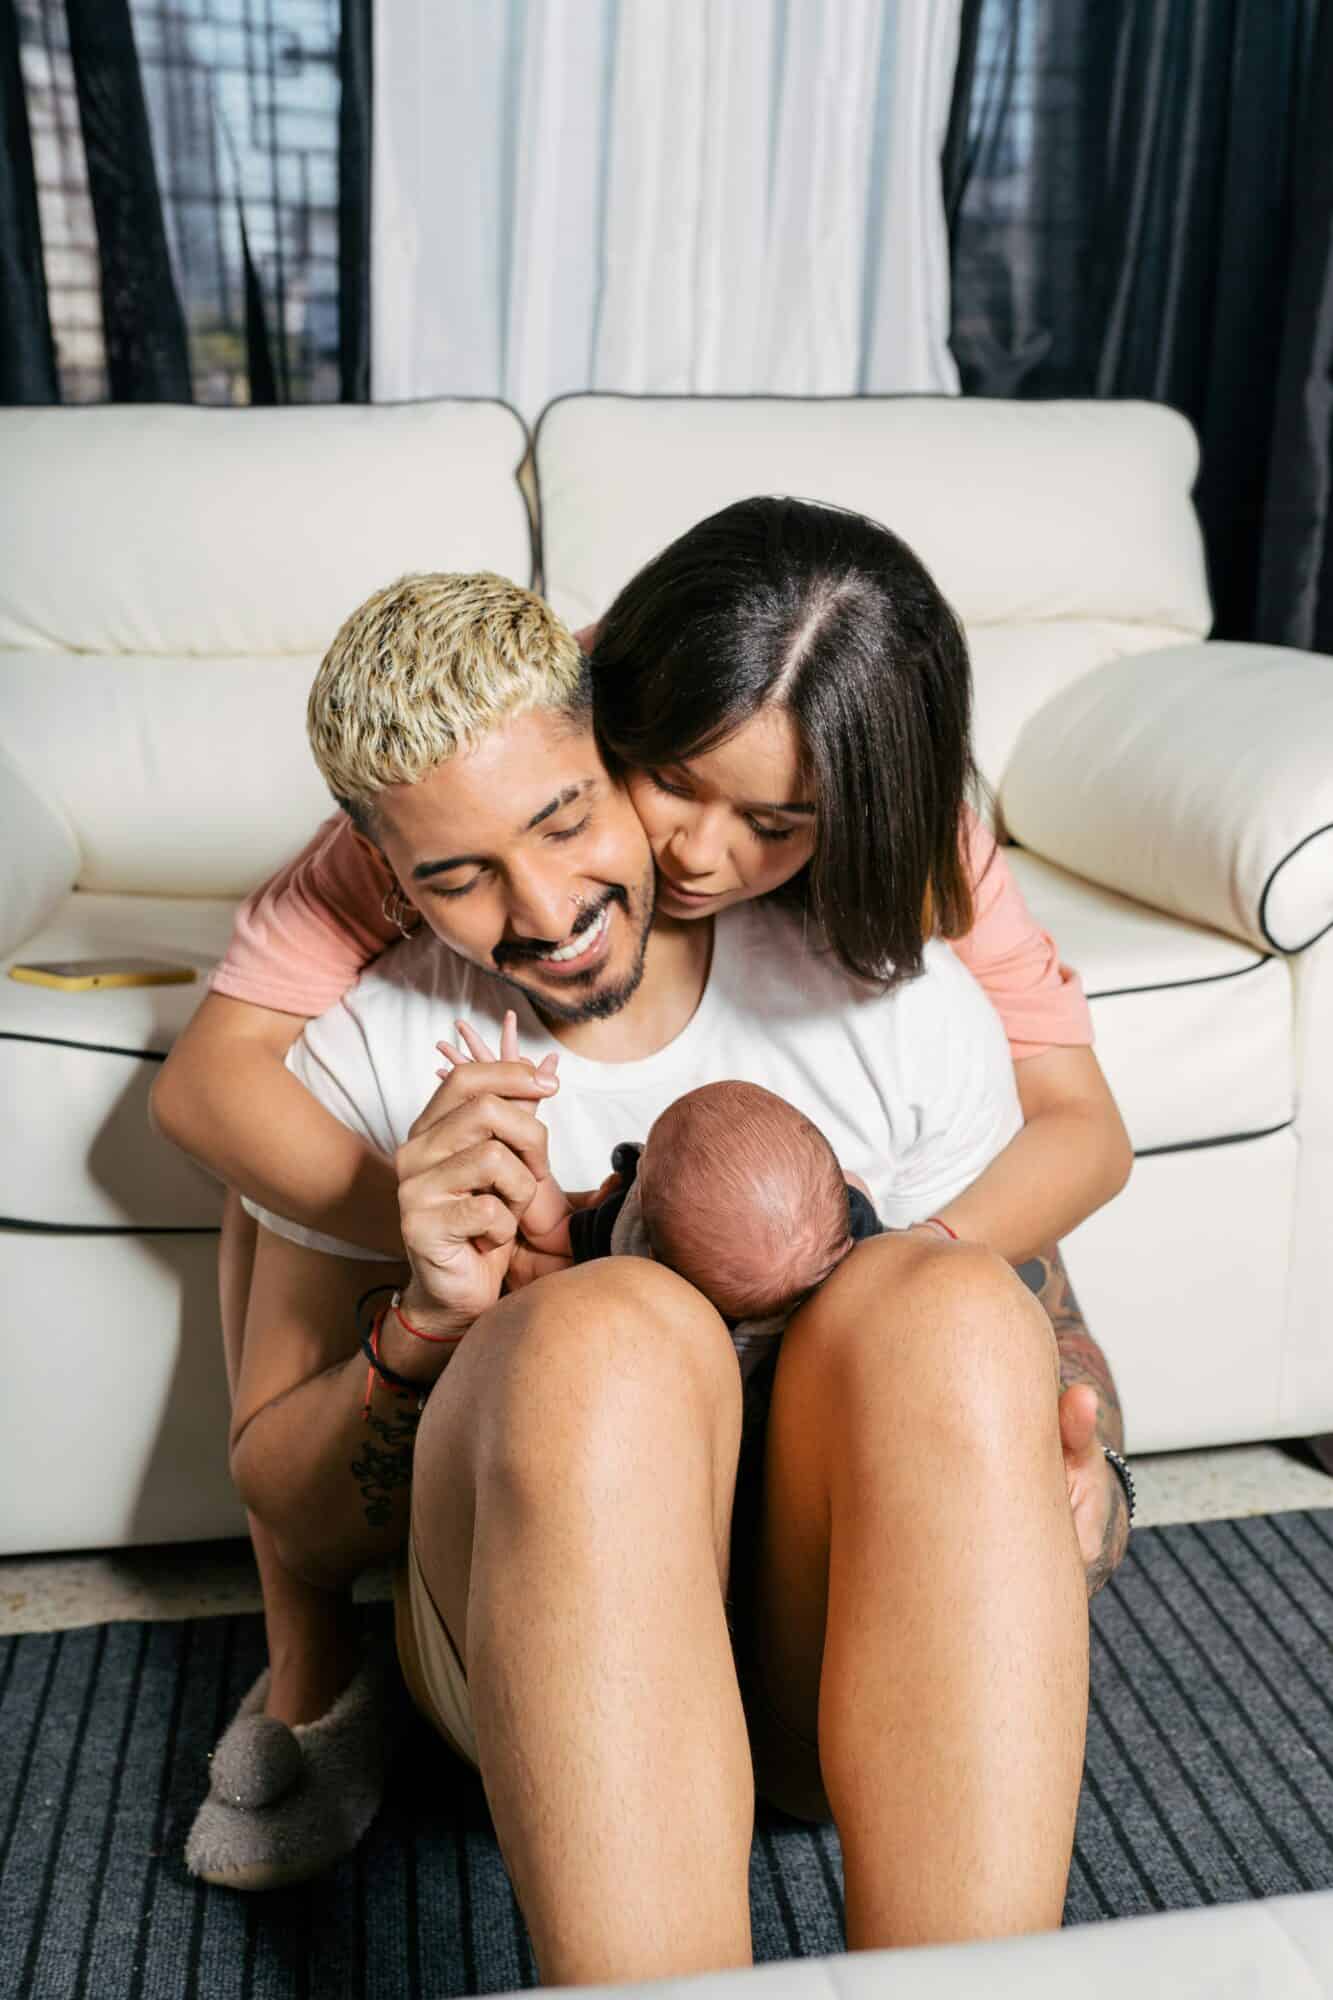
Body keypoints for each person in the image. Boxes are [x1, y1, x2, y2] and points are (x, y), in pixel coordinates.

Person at [150, 529, 1128, 1965]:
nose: (684, 852)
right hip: (542, 1663)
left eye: (565, 822)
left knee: (946, 1302)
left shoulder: (893, 975)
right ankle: (314, 1688)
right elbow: (295, 1501)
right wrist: (432, 1294)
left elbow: (1052, 1236)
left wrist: (1077, 1467)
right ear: (629, 716)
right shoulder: (379, 1030)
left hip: (832, 1662)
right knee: (603, 1332)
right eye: (673, 784)